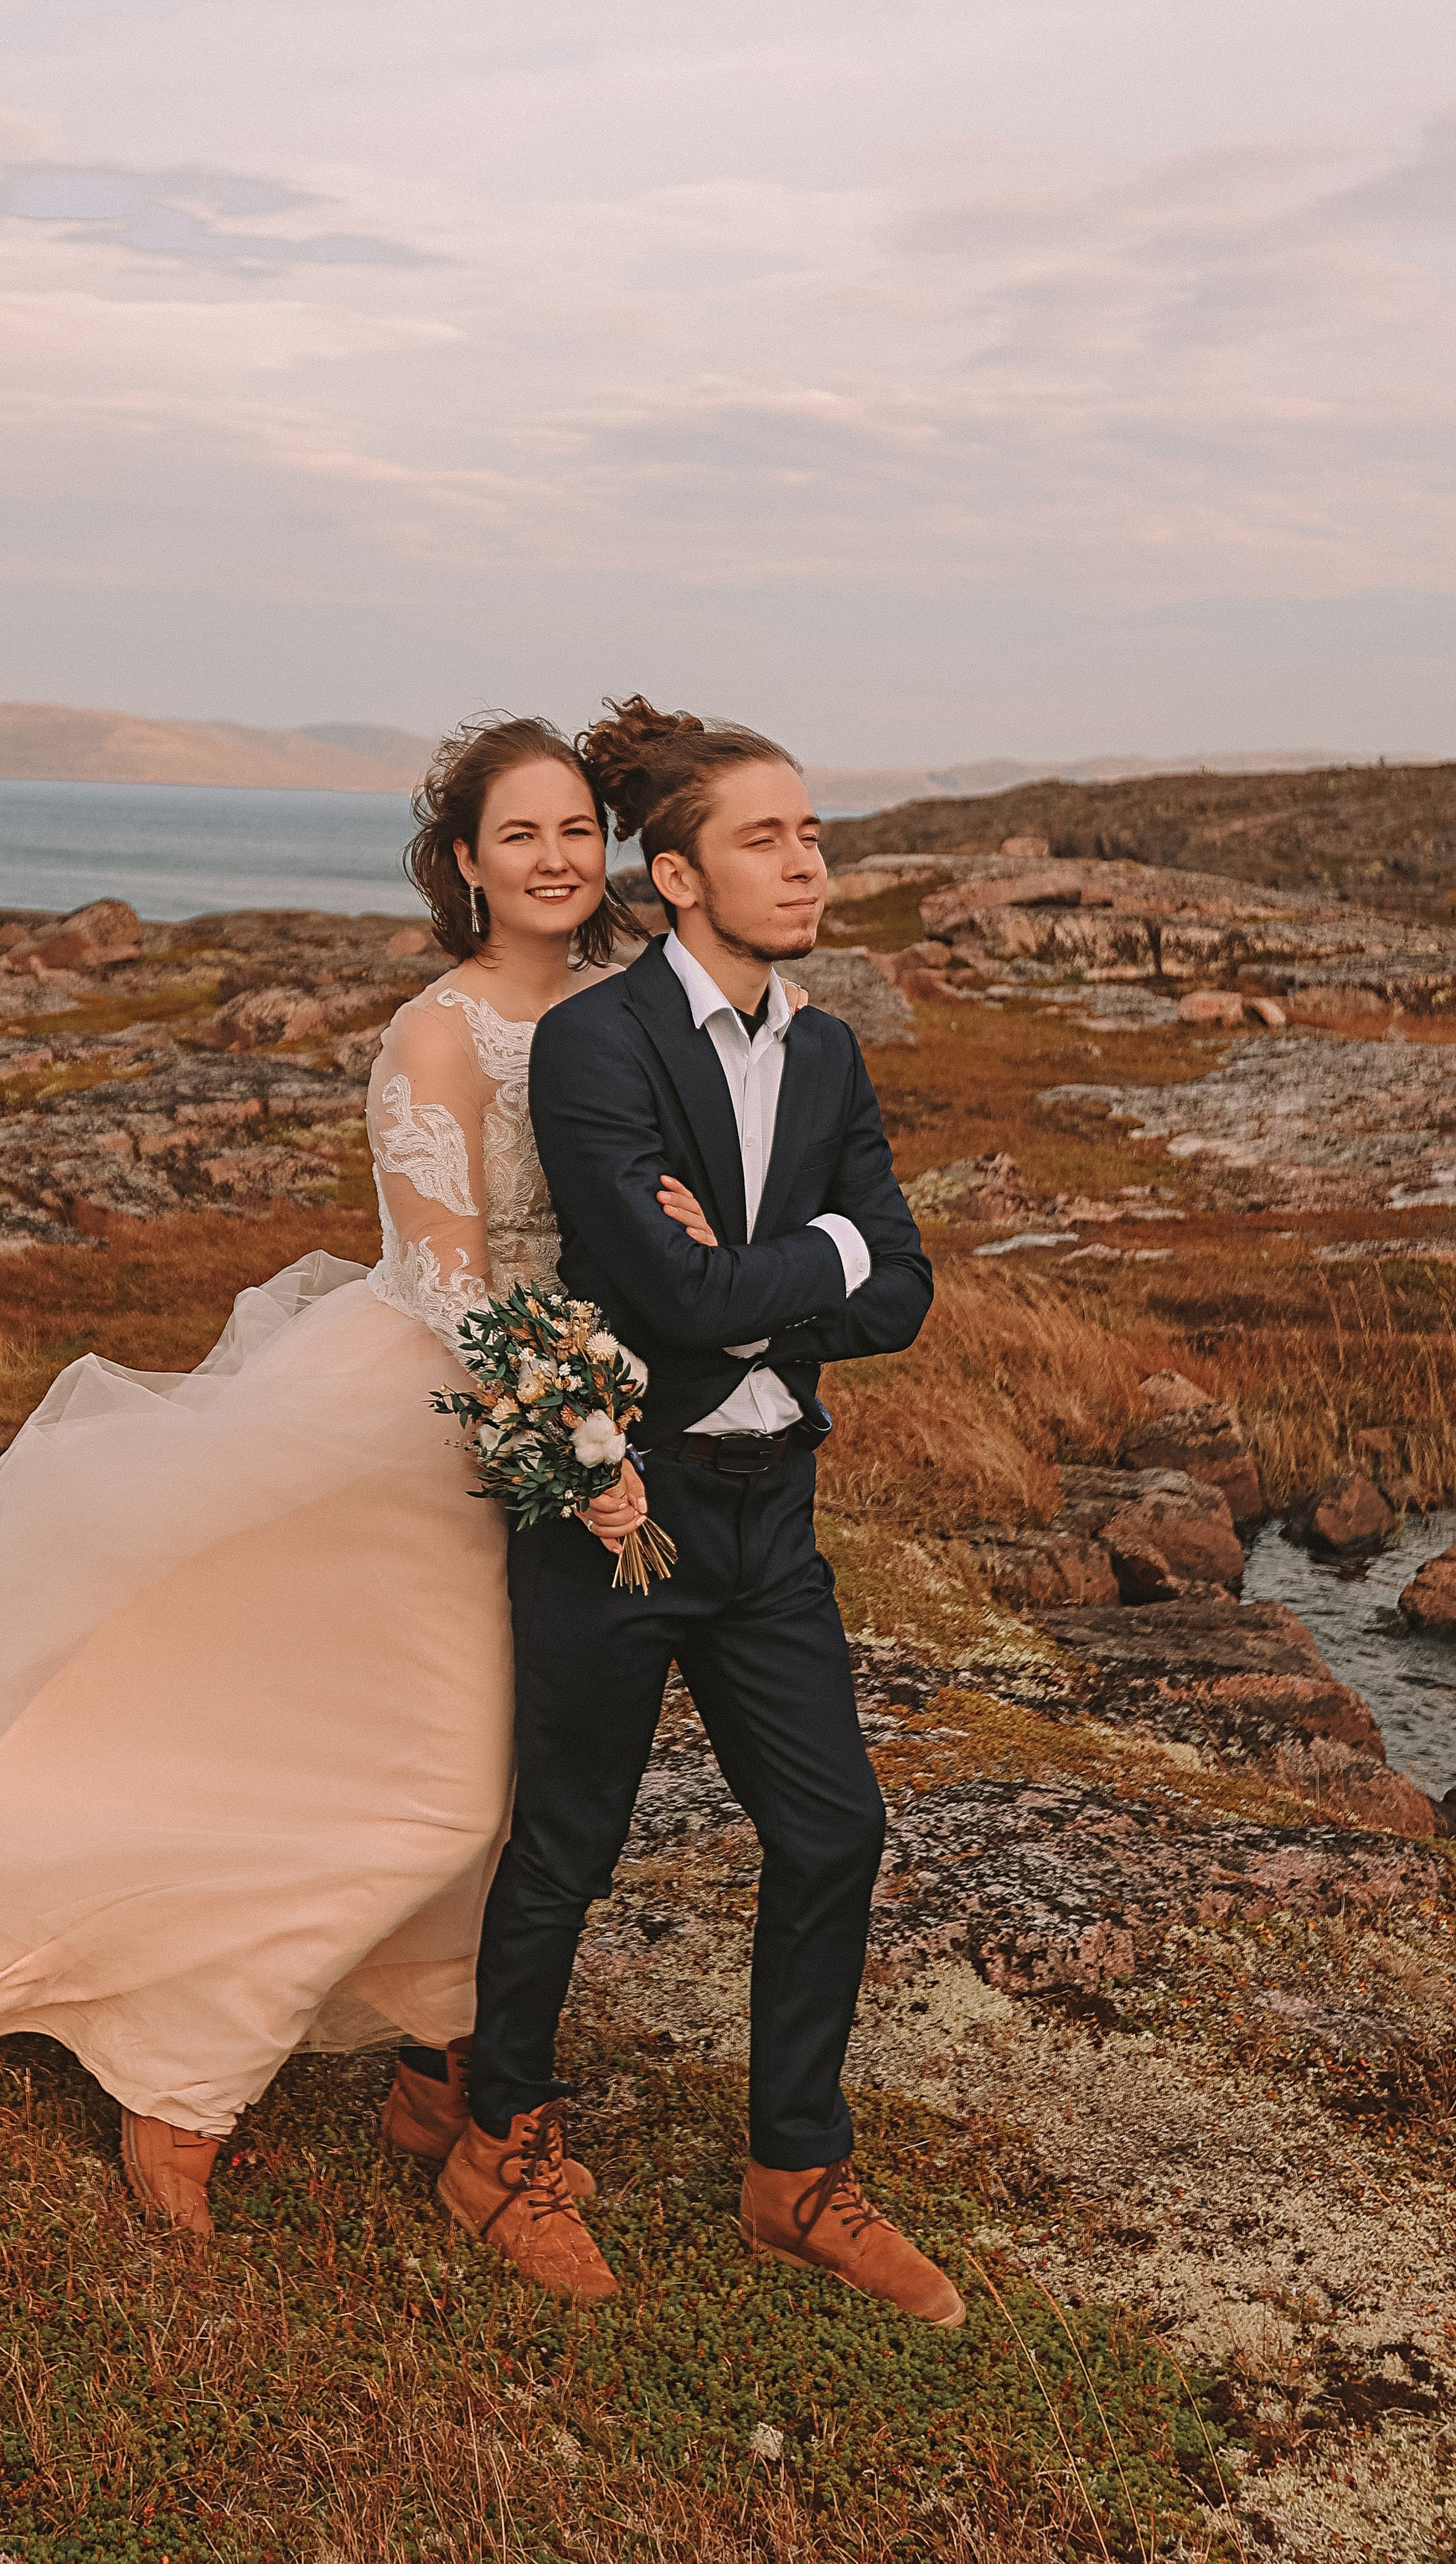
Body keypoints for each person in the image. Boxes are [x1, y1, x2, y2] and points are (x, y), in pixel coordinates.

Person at [0, 717, 652, 2236]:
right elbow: (456, 1282)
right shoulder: (438, 1035)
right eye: (516, 834)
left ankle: (444, 2068)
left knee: (512, 1777)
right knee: (438, 1793)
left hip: (561, 1416)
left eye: (576, 830)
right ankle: (176, 2086)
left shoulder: (621, 1008)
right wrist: (573, 1419)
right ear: (463, 862)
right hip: (429, 1418)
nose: (551, 859)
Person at [437, 696, 964, 2327]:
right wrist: (816, 1260)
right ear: (673, 875)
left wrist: (760, 1278)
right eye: (766, 838)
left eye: (811, 834)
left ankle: (792, 2174)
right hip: (615, 1507)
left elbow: (911, 1291)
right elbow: (663, 1295)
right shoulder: (597, 1043)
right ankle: (493, 2146)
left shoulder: (831, 1048)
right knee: (570, 1845)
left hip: (768, 1517)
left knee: (833, 1831)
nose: (807, 863)